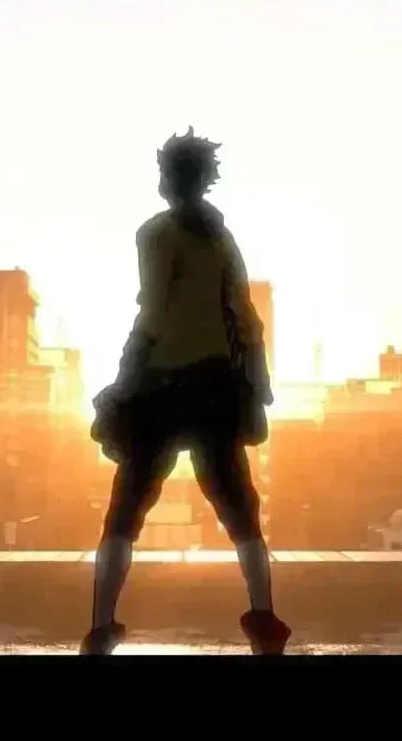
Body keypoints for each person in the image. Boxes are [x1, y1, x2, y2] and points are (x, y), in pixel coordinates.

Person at [84, 127, 291, 656]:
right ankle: (264, 622)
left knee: (125, 511)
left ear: (170, 178)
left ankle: (101, 627)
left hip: (160, 388)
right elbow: (246, 317)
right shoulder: (222, 237)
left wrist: (124, 376)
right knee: (241, 513)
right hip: (216, 389)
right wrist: (259, 380)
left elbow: (152, 313)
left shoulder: (156, 233)